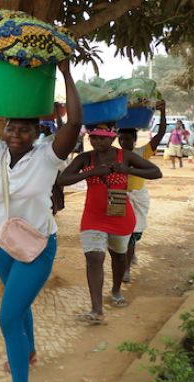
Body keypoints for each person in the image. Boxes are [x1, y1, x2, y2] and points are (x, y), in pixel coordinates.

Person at [0, 45, 82, 382]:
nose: (15, 135)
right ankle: (28, 353)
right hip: (2, 243)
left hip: (39, 248)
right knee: (19, 306)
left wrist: (66, 73)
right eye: (11, 128)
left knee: (8, 318)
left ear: (38, 133)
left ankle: (20, 374)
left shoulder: (48, 156)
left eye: (25, 130)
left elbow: (75, 122)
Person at [57, 123, 162, 325]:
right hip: (93, 217)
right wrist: (91, 172)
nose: (97, 141)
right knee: (94, 257)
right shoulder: (85, 158)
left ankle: (115, 290)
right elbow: (63, 179)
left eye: (102, 138)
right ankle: (97, 310)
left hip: (120, 216)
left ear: (112, 138)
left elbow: (156, 172)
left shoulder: (125, 156)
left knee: (119, 257)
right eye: (93, 137)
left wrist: (126, 169)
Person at [117, 100, 167, 283]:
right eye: (121, 139)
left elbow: (161, 133)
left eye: (128, 139)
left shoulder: (141, 153)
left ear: (135, 140)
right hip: (120, 198)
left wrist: (163, 112)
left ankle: (127, 268)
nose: (124, 142)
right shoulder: (115, 155)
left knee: (133, 233)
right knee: (124, 235)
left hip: (138, 198)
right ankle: (126, 265)